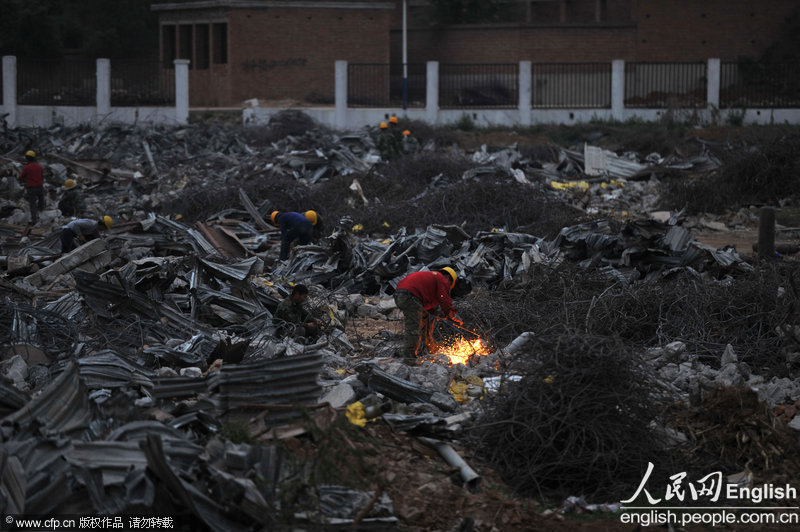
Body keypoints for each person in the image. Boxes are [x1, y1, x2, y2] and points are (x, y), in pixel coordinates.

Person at [393, 267, 462, 362]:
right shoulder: (442, 279)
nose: (447, 286)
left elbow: (428, 310)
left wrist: (439, 314)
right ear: (449, 279)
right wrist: (451, 314)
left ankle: (430, 349)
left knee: (424, 325)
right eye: (449, 285)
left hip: (401, 295)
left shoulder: (431, 278)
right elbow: (444, 299)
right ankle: (409, 360)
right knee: (414, 328)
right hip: (410, 296)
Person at [18, 150, 45, 225]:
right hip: (40, 187)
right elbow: (42, 177)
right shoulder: (39, 166)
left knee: (32, 204)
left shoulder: (27, 167)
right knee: (41, 202)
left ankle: (34, 220)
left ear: (27, 159)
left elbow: (21, 177)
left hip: (32, 188)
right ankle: (42, 217)